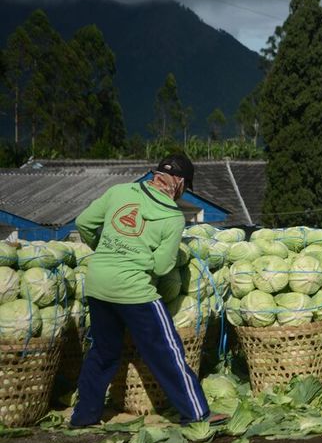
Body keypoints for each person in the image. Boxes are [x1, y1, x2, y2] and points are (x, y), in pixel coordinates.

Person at [70, 154, 214, 427]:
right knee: (166, 350)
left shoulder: (120, 192)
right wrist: (138, 259)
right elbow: (161, 267)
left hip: (98, 283)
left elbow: (84, 222)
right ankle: (197, 413)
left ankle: (83, 418)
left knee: (102, 352)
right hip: (134, 290)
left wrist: (105, 249)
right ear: (180, 183)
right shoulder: (172, 217)